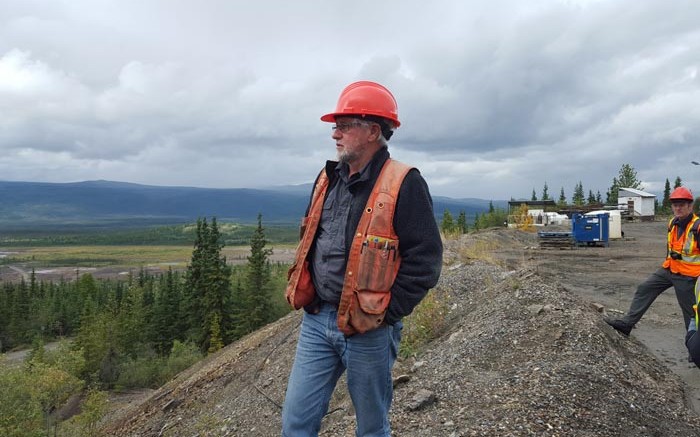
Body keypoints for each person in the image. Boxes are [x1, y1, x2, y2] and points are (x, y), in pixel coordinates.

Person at [281, 81, 443, 437]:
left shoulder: (404, 182)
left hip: (369, 328)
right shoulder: (328, 178)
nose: (334, 134)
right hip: (317, 320)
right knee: (295, 422)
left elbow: (426, 259)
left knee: (371, 427)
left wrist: (387, 312)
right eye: (334, 126)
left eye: (344, 125)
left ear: (373, 131)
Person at [605, 186, 700, 337]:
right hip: (669, 269)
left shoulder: (697, 227)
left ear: (690, 206)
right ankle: (627, 324)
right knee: (645, 288)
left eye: (682, 204)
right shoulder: (672, 223)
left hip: (688, 277)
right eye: (675, 205)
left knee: (690, 313)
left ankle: (695, 346)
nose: (678, 208)